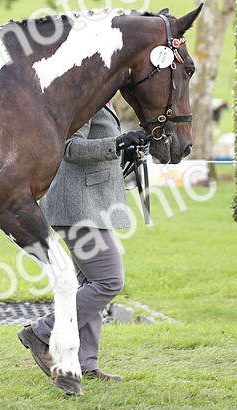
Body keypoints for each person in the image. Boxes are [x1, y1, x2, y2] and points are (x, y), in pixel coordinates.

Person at [17, 105, 149, 388]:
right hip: (77, 206)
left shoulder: (103, 98)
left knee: (89, 282)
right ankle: (41, 332)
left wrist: (124, 149)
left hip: (89, 204)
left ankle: (86, 362)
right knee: (109, 281)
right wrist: (115, 143)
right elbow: (70, 148)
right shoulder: (89, 98)